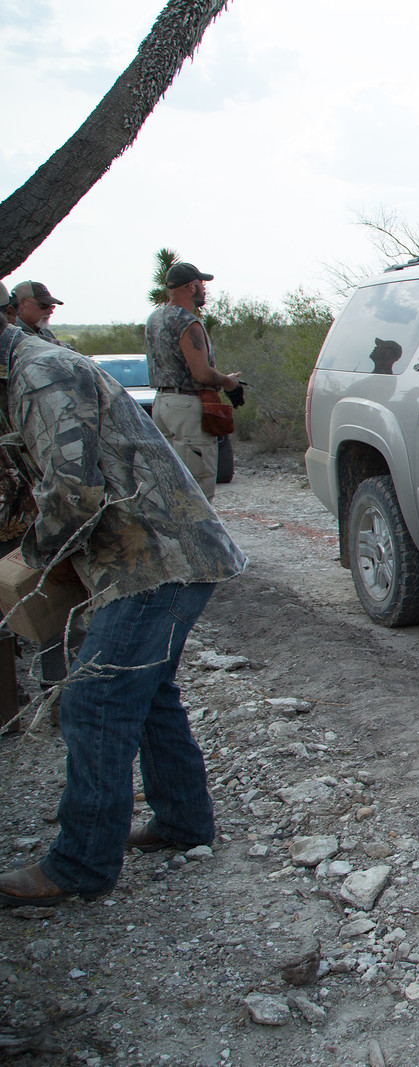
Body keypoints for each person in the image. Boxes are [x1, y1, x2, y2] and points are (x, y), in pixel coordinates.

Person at [0, 330, 246, 906]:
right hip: (160, 556)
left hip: (156, 561)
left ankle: (79, 866)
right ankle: (183, 822)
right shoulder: (26, 375)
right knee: (150, 695)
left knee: (95, 702)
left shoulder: (41, 374)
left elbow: (73, 491)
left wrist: (26, 561)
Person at [145, 261, 239, 499]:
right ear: (190, 286)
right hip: (187, 409)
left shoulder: (154, 318)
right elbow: (201, 373)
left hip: (161, 405)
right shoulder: (187, 322)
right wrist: (229, 382)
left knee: (170, 485)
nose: (204, 289)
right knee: (196, 488)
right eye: (201, 284)